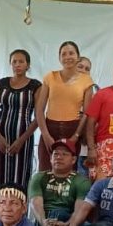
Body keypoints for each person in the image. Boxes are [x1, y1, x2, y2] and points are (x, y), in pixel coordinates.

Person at [0, 49, 41, 213]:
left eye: (21, 62)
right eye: (14, 62)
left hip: (23, 138)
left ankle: (17, 220)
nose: (17, 65)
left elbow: (38, 116)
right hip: (0, 135)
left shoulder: (35, 86)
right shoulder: (2, 83)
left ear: (28, 65)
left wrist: (22, 140)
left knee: (19, 178)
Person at [34, 41, 95, 171]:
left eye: (71, 53)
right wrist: (45, 135)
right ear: (59, 58)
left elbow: (87, 113)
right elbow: (39, 110)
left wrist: (76, 136)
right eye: (64, 54)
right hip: (50, 128)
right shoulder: (50, 77)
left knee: (68, 173)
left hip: (72, 130)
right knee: (45, 171)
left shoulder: (87, 81)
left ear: (78, 57)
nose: (68, 57)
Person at [27, 140, 90, 226]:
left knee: (61, 215)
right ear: (50, 158)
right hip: (43, 220)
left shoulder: (82, 181)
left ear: (73, 160)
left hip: (68, 220)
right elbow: (36, 203)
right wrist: (43, 222)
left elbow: (79, 210)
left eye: (64, 154)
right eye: (55, 154)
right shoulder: (39, 177)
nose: (59, 157)